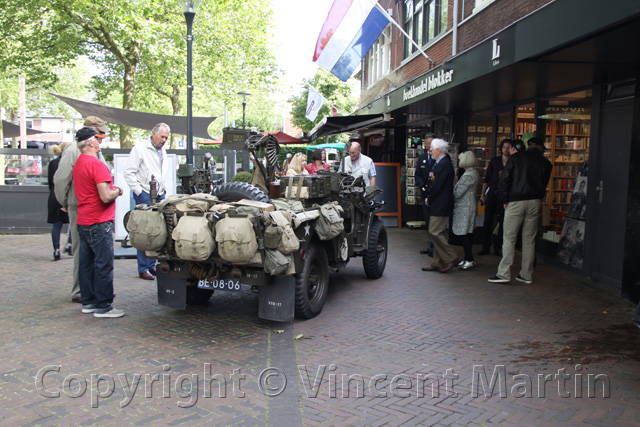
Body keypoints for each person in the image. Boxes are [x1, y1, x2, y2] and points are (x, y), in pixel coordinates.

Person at [54, 116, 110, 303]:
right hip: (80, 206)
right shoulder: (73, 150)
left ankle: (93, 290)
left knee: (94, 252)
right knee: (82, 251)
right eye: (99, 134)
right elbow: (61, 179)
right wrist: (65, 202)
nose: (101, 139)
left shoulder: (92, 151)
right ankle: (80, 291)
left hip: (93, 207)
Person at [72, 127, 125, 318]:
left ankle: (89, 302)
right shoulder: (97, 165)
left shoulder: (79, 163)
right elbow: (105, 196)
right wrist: (117, 191)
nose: (100, 143)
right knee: (103, 264)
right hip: (99, 221)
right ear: (91, 142)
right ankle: (104, 306)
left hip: (83, 220)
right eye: (98, 139)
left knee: (86, 264)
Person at [489, 137, 552, 284]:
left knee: (509, 237)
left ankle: (504, 273)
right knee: (529, 239)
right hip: (535, 201)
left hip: (516, 200)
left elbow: (505, 179)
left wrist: (504, 199)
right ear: (540, 148)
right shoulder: (545, 163)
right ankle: (526, 274)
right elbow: (544, 183)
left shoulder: (516, 158)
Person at [124, 123, 170, 280]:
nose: (164, 140)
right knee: (144, 231)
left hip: (159, 193)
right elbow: (129, 173)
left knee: (158, 230)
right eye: (162, 137)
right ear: (153, 134)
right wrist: (139, 191)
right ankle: (143, 267)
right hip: (145, 193)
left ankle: (151, 265)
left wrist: (163, 190)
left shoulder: (162, 150)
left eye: (166, 137)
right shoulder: (140, 148)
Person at [421, 139, 459, 273]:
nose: (430, 152)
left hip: (441, 204)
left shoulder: (444, 164)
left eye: (432, 149)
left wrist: (429, 198)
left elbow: (438, 185)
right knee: (440, 232)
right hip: (439, 203)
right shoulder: (440, 163)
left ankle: (451, 257)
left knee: (434, 231)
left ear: (439, 150)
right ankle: (437, 262)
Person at [479, 139, 513, 256]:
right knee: (488, 220)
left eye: (508, 147)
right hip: (493, 192)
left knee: (503, 221)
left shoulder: (513, 161)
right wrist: (483, 195)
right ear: (501, 149)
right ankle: (485, 246)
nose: (506, 149)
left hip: (506, 194)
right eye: (504, 147)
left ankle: (498, 247)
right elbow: (487, 179)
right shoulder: (495, 161)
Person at [452, 151, 481, 270]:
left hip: (465, 206)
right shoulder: (473, 173)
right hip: (469, 205)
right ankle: (468, 258)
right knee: (468, 232)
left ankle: (469, 258)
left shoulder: (468, 175)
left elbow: (458, 193)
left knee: (463, 233)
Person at [48, 142, 71, 261]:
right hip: (67, 195)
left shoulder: (53, 163)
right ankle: (70, 244)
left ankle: (56, 249)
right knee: (74, 221)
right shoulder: (69, 162)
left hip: (54, 196)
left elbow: (50, 183)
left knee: (56, 225)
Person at [415, 133, 436, 256]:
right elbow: (417, 174)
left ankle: (434, 248)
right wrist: (422, 186)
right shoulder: (422, 157)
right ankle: (429, 247)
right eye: (429, 143)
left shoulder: (438, 158)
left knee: (436, 223)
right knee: (428, 221)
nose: (431, 146)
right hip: (425, 194)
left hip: (435, 194)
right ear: (425, 144)